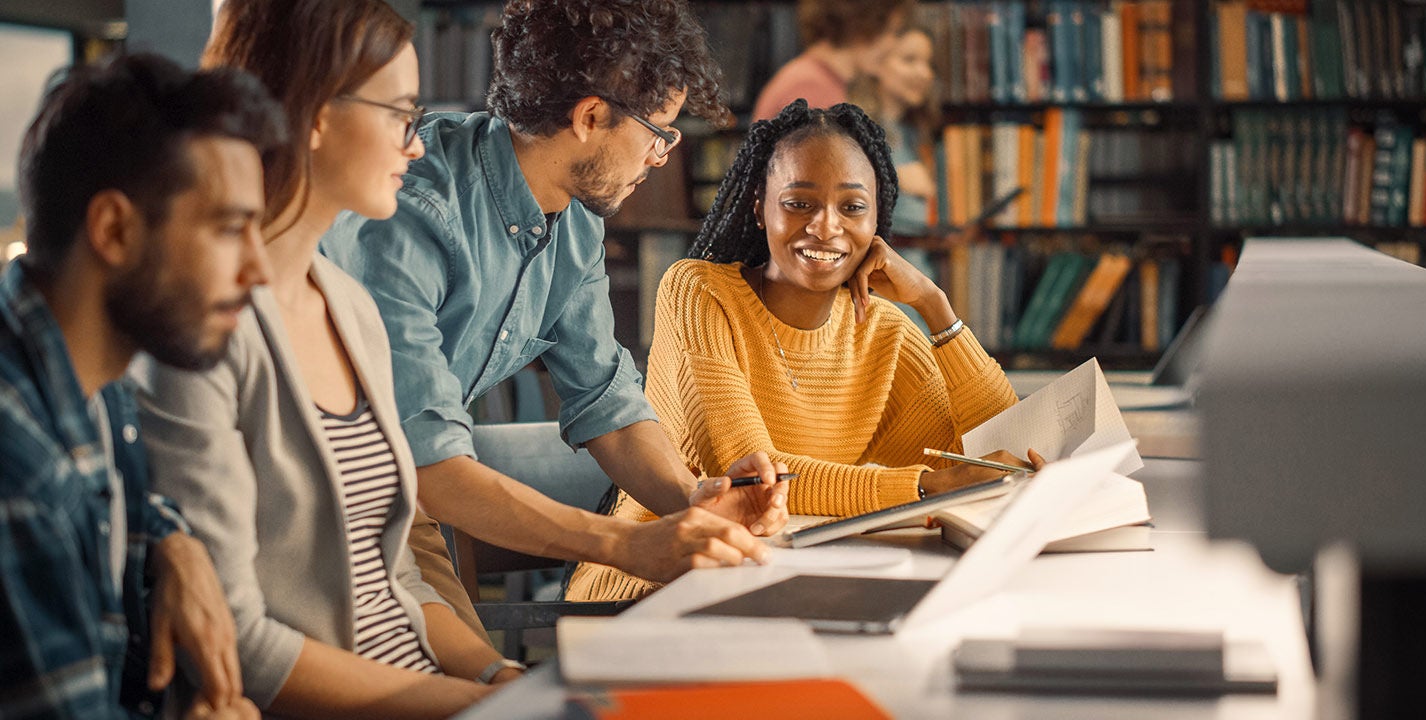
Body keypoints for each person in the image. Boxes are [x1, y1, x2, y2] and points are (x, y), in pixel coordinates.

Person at [320, 0, 790, 622]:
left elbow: (609, 407)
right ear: (591, 116)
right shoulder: (414, 212)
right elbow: (429, 465)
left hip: (404, 502)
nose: (661, 158)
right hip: (323, 504)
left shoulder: (573, 224)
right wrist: (627, 545)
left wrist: (696, 502)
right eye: (659, 132)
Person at [130, 1, 515, 717]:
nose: (418, 144)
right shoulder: (202, 329)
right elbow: (237, 640)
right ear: (315, 114)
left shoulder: (350, 304)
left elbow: (395, 574)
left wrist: (497, 675)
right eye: (403, 113)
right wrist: (464, 704)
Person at [569, 100, 1042, 601]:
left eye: (853, 207)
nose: (825, 226)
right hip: (658, 581)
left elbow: (991, 453)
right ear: (759, 206)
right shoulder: (700, 294)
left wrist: (935, 304)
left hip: (789, 576)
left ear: (878, 219)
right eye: (799, 203)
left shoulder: (886, 331)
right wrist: (924, 488)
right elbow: (756, 478)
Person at [1, 53, 282, 719]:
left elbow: (115, 489)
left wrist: (170, 539)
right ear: (115, 230)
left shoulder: (98, 387)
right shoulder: (18, 479)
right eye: (230, 228)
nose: (259, 270)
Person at [850, 25, 944, 328]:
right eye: (909, 60)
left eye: (928, 64)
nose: (924, 73)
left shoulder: (913, 133)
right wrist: (896, 177)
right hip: (880, 286)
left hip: (916, 271)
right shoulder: (856, 129)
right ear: (876, 64)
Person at [751, 0, 913, 121]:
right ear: (861, 24)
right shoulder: (810, 87)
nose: (892, 44)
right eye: (890, 31)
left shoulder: (816, 79)